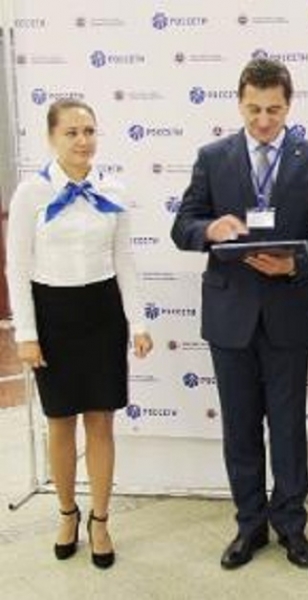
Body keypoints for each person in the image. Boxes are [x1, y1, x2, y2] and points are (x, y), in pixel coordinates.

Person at [171, 58, 308, 571]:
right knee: (240, 429)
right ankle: (250, 526)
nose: (263, 120)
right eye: (253, 109)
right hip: (230, 316)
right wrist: (209, 230)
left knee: (288, 428)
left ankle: (291, 525)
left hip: (289, 312)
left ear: (289, 105)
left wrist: (296, 262)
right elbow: (183, 225)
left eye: (273, 110)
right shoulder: (212, 157)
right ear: (239, 103)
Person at [6, 98, 153, 569]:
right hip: (53, 316)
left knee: (101, 422)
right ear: (51, 138)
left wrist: (138, 323)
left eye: (89, 131)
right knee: (60, 422)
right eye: (71, 132)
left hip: (103, 314)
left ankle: (101, 520)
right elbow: (17, 268)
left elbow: (125, 261)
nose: (82, 140)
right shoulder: (31, 193)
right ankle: (67, 513)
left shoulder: (113, 189)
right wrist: (26, 333)